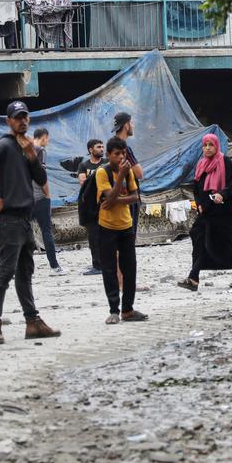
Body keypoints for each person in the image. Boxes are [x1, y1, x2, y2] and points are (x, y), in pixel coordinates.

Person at [0, 100, 60, 344]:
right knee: (6, 272)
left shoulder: (28, 149)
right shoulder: (3, 145)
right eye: (18, 117)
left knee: (25, 272)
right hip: (8, 220)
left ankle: (32, 322)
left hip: (25, 220)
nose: (23, 121)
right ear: (9, 121)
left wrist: (32, 155)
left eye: (25, 117)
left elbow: (40, 179)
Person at [180, 133, 232, 291]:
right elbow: (196, 187)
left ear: (217, 146)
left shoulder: (225, 161)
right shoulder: (201, 164)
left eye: (211, 145)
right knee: (199, 238)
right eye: (205, 145)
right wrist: (199, 203)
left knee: (230, 243)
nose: (208, 148)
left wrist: (221, 194)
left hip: (224, 213)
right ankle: (193, 277)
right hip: (207, 212)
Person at [96, 137, 148, 324]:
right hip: (107, 227)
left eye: (123, 153)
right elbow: (108, 197)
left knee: (130, 268)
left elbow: (134, 196)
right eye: (116, 153)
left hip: (126, 225)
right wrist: (119, 178)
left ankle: (128, 309)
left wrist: (114, 199)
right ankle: (113, 310)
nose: (121, 157)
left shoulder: (128, 172)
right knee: (109, 269)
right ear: (109, 155)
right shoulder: (102, 172)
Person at [30, 127, 67, 276]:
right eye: (48, 138)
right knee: (46, 231)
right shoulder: (40, 150)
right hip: (39, 196)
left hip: (23, 196)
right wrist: (47, 194)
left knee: (21, 231)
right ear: (44, 137)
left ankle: (16, 268)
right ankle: (54, 267)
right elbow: (41, 174)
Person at [77, 138, 106, 276]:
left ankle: (107, 263)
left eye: (102, 147)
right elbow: (82, 182)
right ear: (90, 150)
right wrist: (99, 178)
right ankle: (97, 265)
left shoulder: (106, 163)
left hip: (105, 204)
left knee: (107, 235)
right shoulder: (83, 165)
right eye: (98, 147)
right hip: (90, 206)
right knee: (93, 236)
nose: (102, 149)